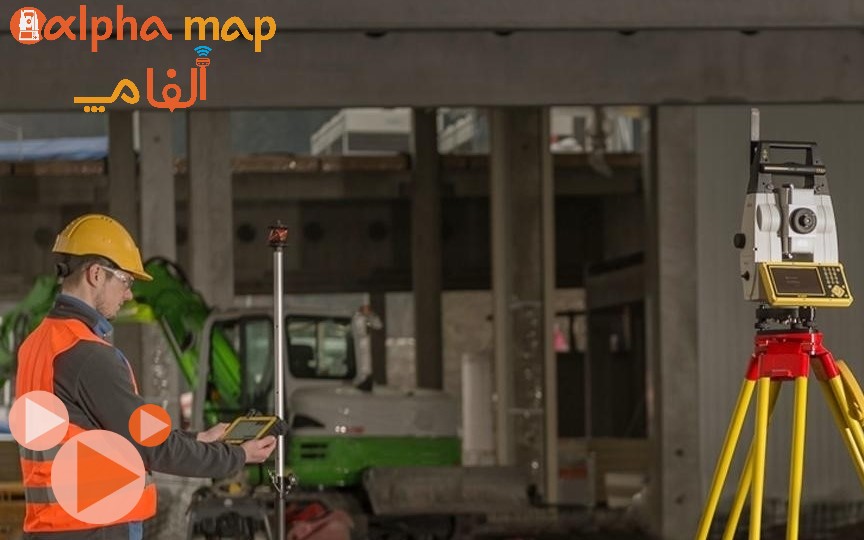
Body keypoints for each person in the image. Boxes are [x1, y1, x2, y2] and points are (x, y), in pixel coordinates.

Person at [16, 214, 277, 539]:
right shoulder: (88, 354)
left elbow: (110, 433)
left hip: (53, 526)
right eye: (125, 281)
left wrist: (198, 439)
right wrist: (238, 456)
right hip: (95, 527)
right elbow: (150, 446)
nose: (128, 295)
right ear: (96, 274)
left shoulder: (37, 344)